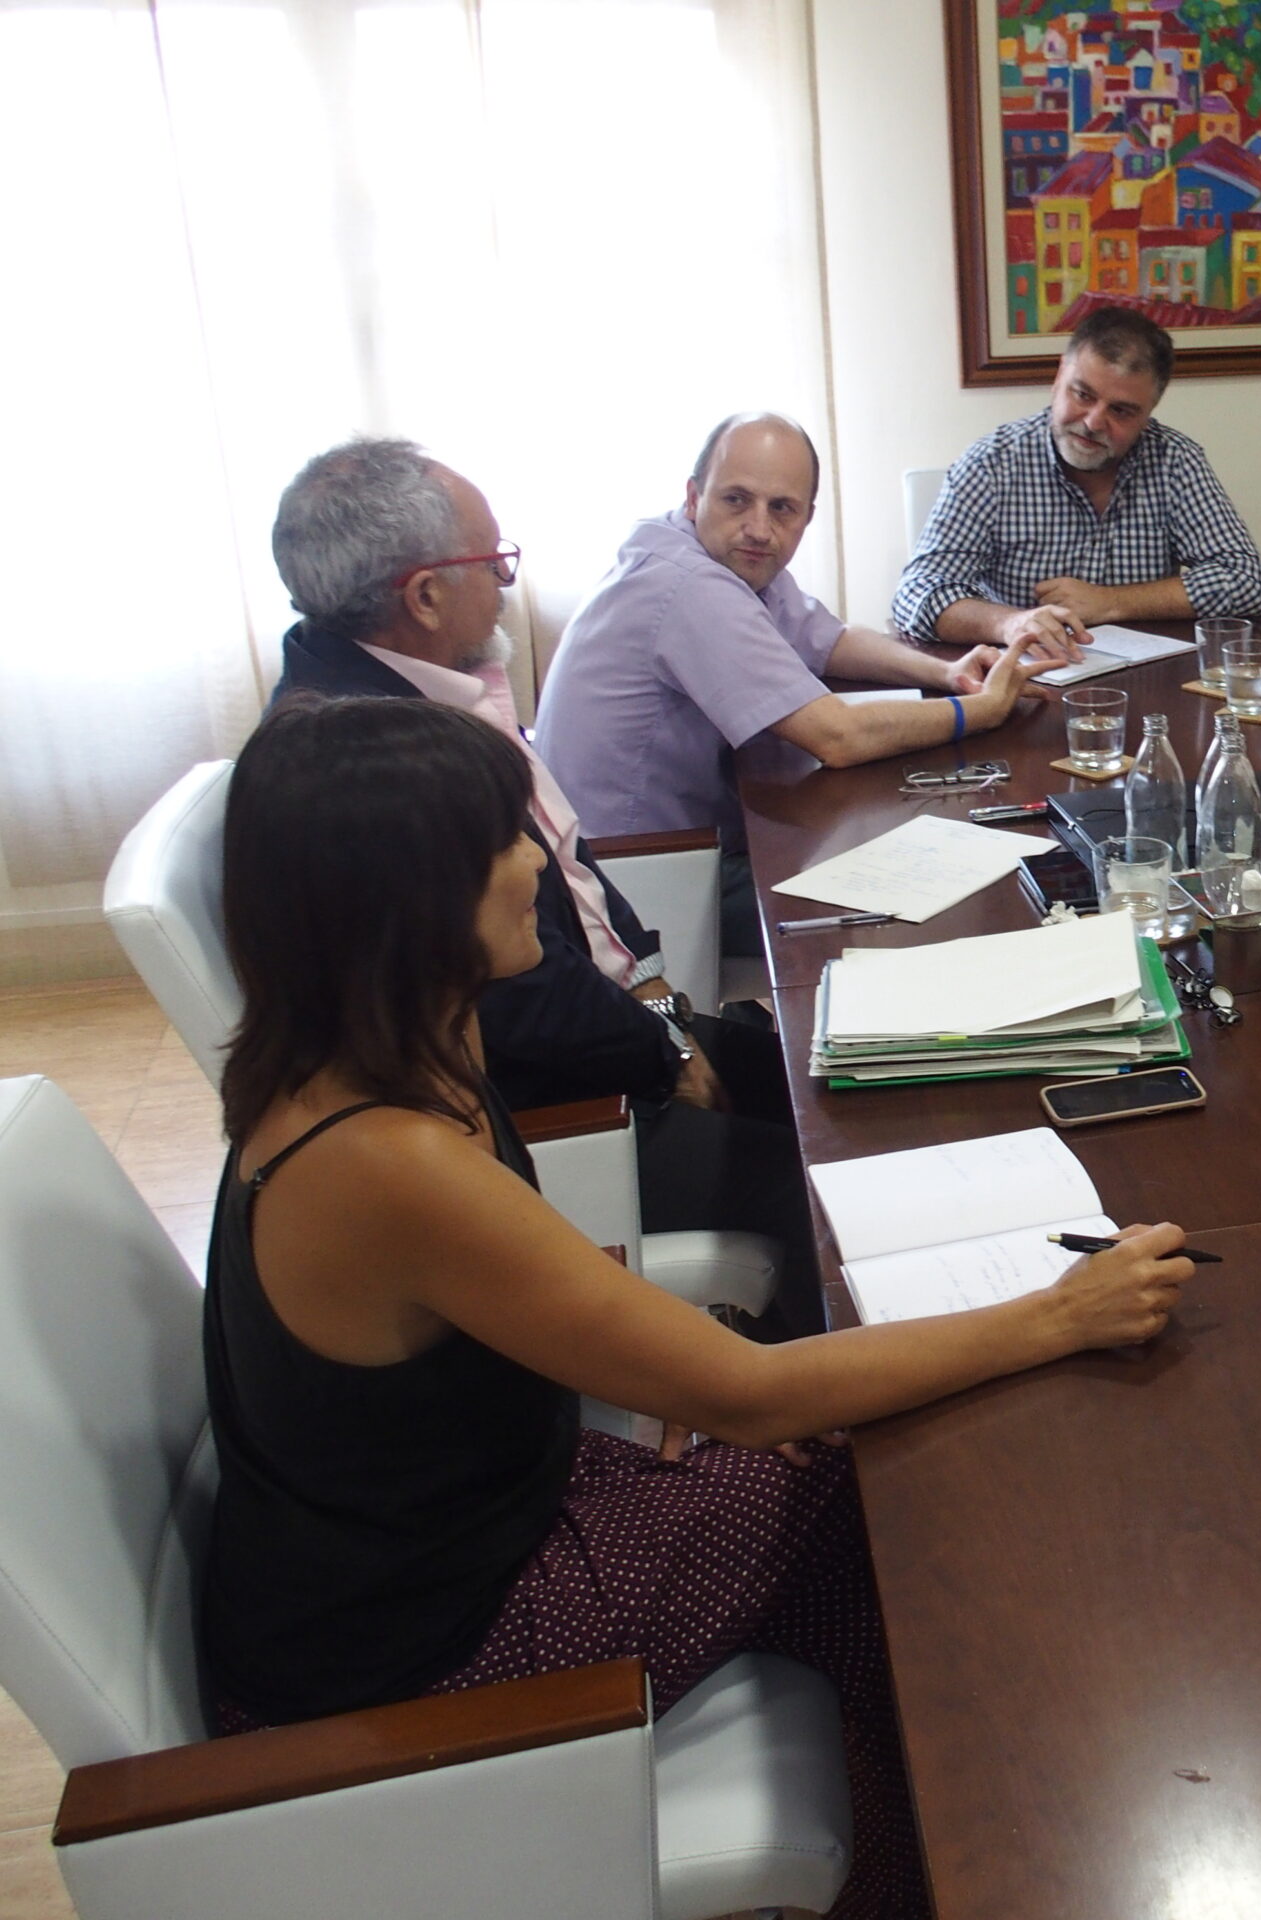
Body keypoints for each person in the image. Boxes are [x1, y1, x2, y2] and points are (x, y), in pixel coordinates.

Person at [201, 694, 1197, 1920]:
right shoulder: (385, 1159)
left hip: (440, 1536)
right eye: (500, 842)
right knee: (886, 1517)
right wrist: (1061, 1313)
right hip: (417, 1655)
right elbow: (753, 1398)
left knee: (863, 1466)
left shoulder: (369, 1057)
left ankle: (911, 1869)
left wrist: (656, 1370)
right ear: (403, 897)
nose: (534, 865)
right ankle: (948, 1874)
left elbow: (513, 1310)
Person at [268, 438, 826, 1332]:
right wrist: (665, 1053)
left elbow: (570, 864)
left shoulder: (412, 691)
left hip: (597, 1036)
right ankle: (809, 1389)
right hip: (550, 1115)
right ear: (424, 595)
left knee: (819, 1067)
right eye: (492, 562)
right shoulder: (375, 768)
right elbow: (514, 1002)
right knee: (817, 1175)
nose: (504, 581)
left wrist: (657, 1000)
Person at [535, 413, 1042, 956]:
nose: (759, 527)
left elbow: (828, 639)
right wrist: (982, 711)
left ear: (806, 517)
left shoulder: (717, 553)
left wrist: (946, 672)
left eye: (782, 508)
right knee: (896, 908)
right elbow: (837, 737)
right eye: (737, 499)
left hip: (664, 846)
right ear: (694, 496)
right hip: (632, 878)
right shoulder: (689, 583)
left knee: (886, 852)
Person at [891, 306, 1261, 658]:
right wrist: (1009, 623)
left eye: (1121, 410)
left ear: (1149, 413)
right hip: (1026, 679)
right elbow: (916, 594)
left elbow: (1246, 580)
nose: (1093, 422)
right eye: (1083, 394)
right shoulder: (992, 464)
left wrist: (1111, 602)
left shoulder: (1174, 461)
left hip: (1148, 682)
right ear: (1059, 377)